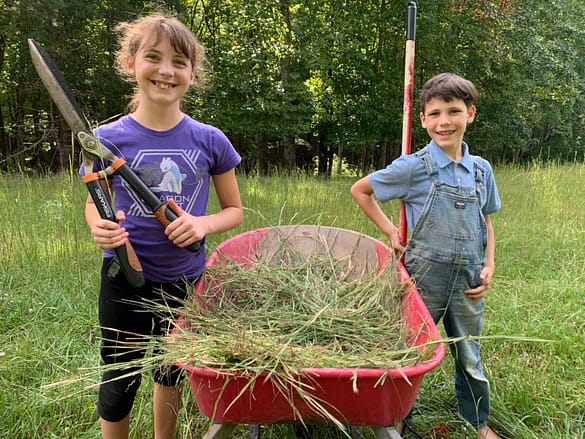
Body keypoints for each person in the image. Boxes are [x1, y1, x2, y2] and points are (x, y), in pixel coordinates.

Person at [81, 13, 243, 439]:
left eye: (179, 61)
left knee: (170, 369)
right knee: (119, 377)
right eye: (153, 57)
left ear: (192, 73)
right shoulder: (106, 139)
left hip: (184, 280)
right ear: (130, 63)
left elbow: (234, 210)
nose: (166, 70)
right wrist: (100, 227)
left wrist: (202, 224)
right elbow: (93, 202)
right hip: (125, 278)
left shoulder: (210, 140)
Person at [350, 73, 501, 439]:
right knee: (411, 352)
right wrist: (390, 230)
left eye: (453, 111)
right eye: (434, 114)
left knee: (469, 355)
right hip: (423, 278)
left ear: (471, 113)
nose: (444, 121)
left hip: (467, 282)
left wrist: (489, 264)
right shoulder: (414, 166)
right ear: (421, 119)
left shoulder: (481, 170)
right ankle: (397, 419)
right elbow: (361, 190)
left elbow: (486, 220)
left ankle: (478, 422)